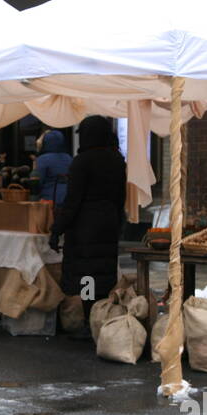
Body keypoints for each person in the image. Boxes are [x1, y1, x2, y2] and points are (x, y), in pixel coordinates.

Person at [49, 115, 126, 309]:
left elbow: (72, 201)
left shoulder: (82, 162)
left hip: (85, 226)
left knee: (87, 273)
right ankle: (99, 313)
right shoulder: (117, 160)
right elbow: (120, 197)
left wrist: (57, 229)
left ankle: (87, 318)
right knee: (102, 272)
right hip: (109, 222)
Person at [32, 129, 71, 206]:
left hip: (49, 201)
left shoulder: (42, 159)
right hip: (68, 199)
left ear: (45, 142)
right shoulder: (69, 158)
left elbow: (37, 182)